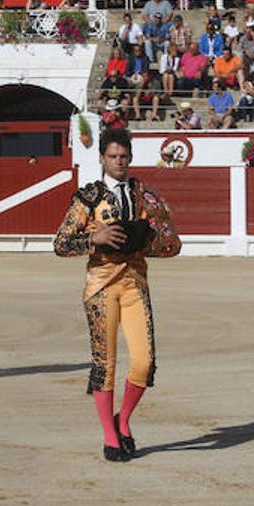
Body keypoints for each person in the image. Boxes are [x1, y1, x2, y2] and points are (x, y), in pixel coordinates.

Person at [53, 127, 181, 462]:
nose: (119, 161)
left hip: (136, 281)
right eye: (112, 156)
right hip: (101, 284)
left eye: (124, 156)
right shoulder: (88, 198)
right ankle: (110, 437)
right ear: (102, 158)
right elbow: (61, 244)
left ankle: (122, 420)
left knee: (144, 362)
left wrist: (147, 238)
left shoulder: (145, 195)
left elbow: (171, 244)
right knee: (105, 363)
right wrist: (95, 239)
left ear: (131, 158)